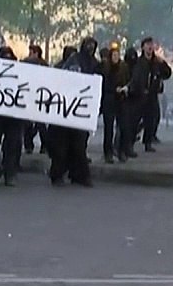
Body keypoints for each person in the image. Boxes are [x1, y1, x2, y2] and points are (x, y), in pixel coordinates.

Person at [48, 37, 98, 187]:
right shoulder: (74, 61)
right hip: (65, 110)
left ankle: (79, 175)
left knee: (79, 146)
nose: (90, 49)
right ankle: (57, 175)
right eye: (88, 46)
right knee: (61, 146)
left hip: (80, 112)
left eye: (92, 46)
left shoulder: (93, 63)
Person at [0, 46, 24, 186]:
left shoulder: (20, 72)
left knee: (12, 145)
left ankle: (10, 174)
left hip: (13, 115)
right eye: (4, 56)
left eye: (9, 56)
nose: (7, 59)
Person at [134, 37, 171, 152]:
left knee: (151, 118)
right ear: (143, 47)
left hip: (152, 94)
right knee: (136, 119)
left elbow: (167, 73)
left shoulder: (156, 62)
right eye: (147, 44)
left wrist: (163, 63)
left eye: (151, 44)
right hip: (140, 94)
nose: (150, 47)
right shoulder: (139, 62)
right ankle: (131, 140)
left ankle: (148, 142)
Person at [99, 43, 126, 164]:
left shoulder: (123, 67)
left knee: (122, 126)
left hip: (120, 100)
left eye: (117, 55)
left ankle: (120, 150)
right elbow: (103, 84)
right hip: (109, 99)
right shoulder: (105, 68)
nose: (116, 57)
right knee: (108, 128)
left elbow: (127, 79)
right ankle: (108, 152)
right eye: (114, 55)